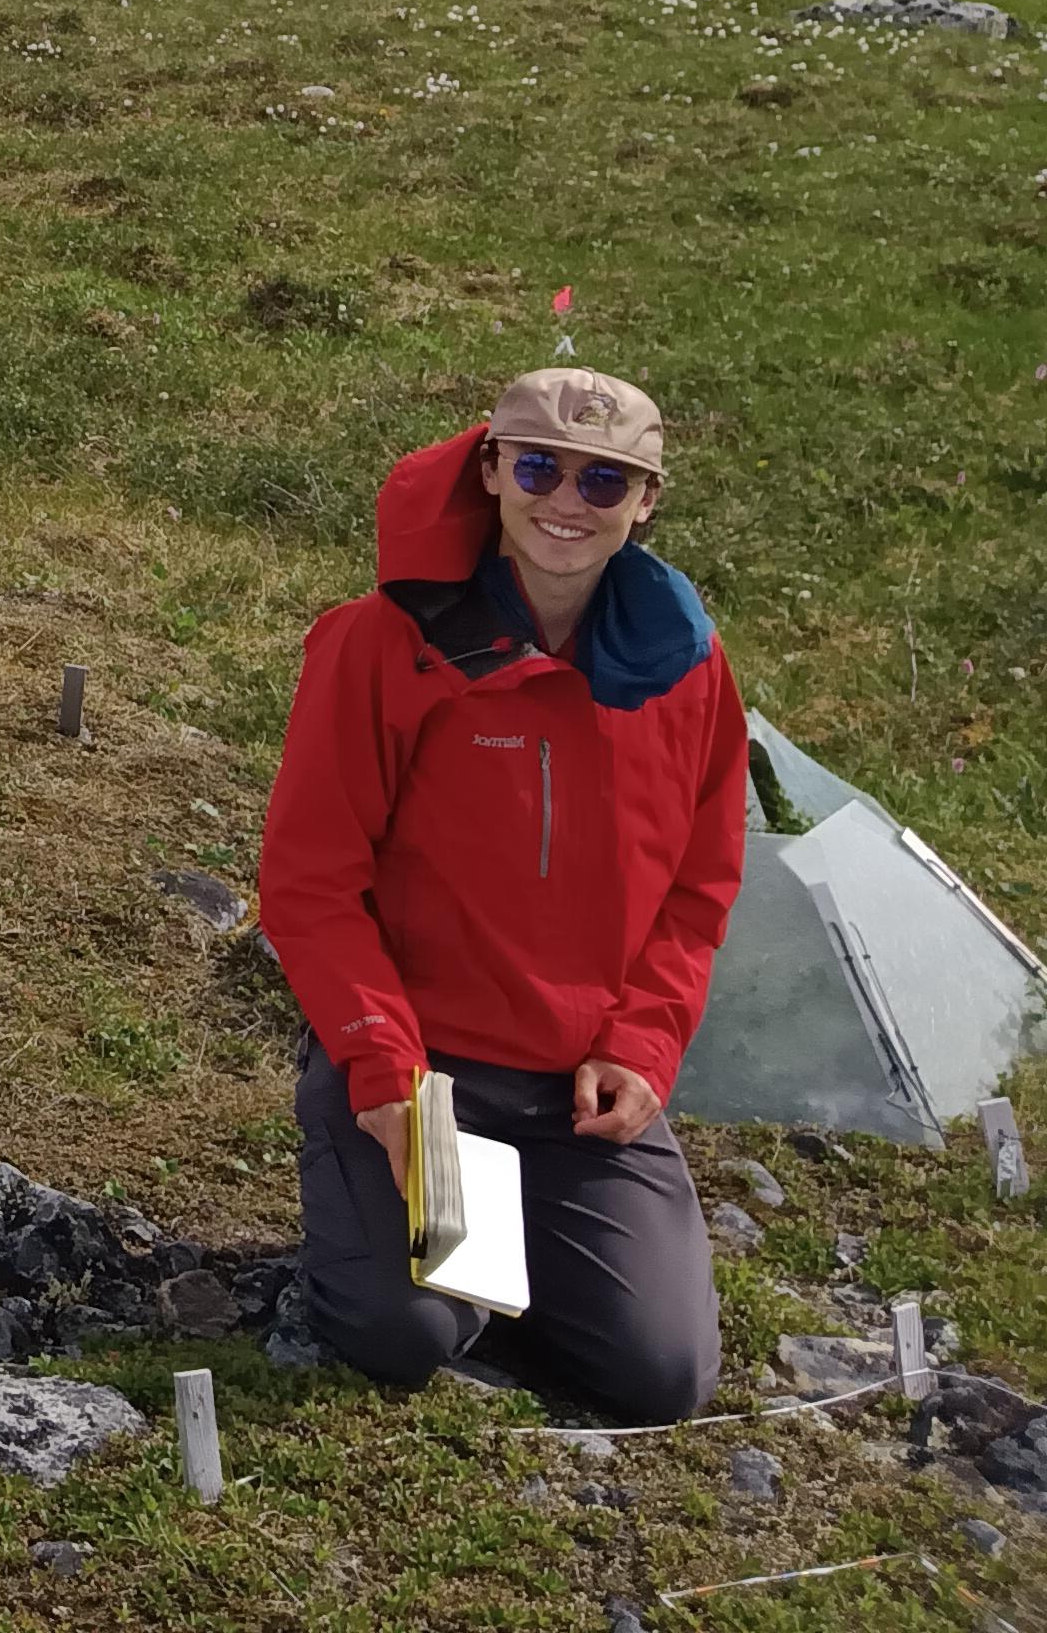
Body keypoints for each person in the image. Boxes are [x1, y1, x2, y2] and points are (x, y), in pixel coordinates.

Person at [258, 366, 746, 1425]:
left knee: (659, 1377)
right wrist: (382, 1068)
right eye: (536, 467)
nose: (565, 501)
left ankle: (500, 1235)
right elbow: (308, 882)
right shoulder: (380, 641)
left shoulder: (689, 670)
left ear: (645, 502)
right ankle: (431, 1225)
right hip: (422, 1078)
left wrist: (642, 1046)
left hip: (577, 1092)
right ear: (489, 471)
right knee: (406, 1335)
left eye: (604, 482)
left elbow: (699, 888)